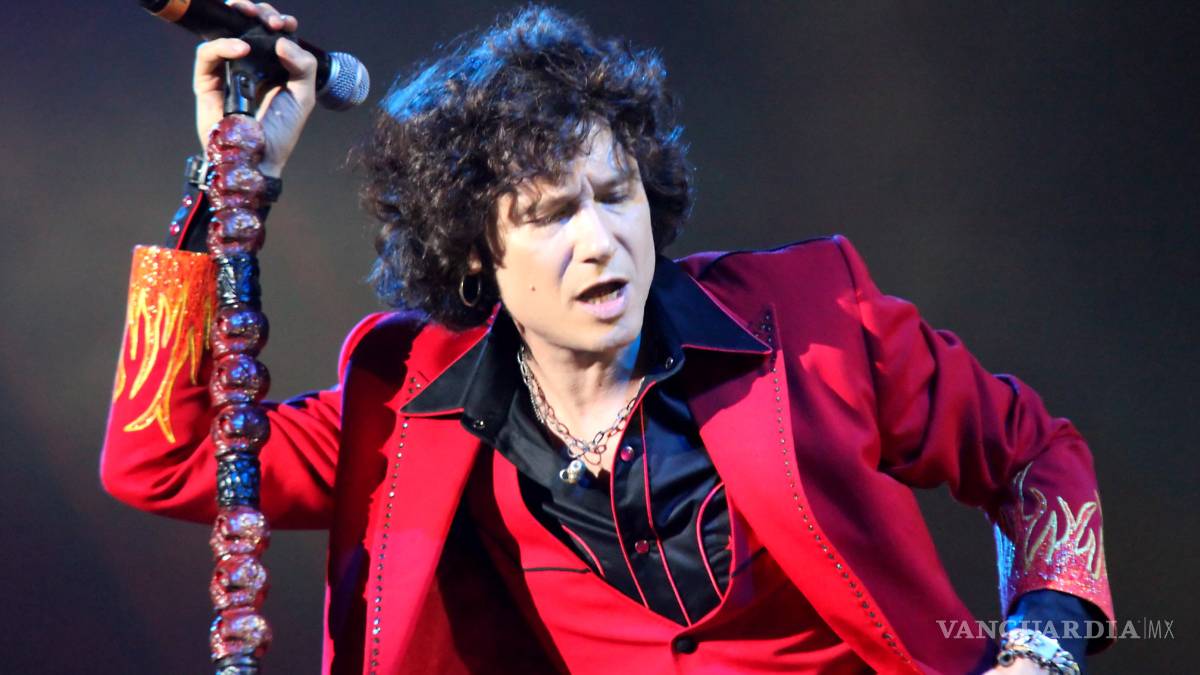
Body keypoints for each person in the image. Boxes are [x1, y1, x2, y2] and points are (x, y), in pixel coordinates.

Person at [100, 4, 1114, 674]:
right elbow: (164, 460)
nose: (601, 241)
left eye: (615, 194)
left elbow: (1035, 454)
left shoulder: (815, 319)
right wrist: (230, 179)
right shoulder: (406, 404)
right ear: (475, 250)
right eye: (551, 214)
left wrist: (1041, 650)